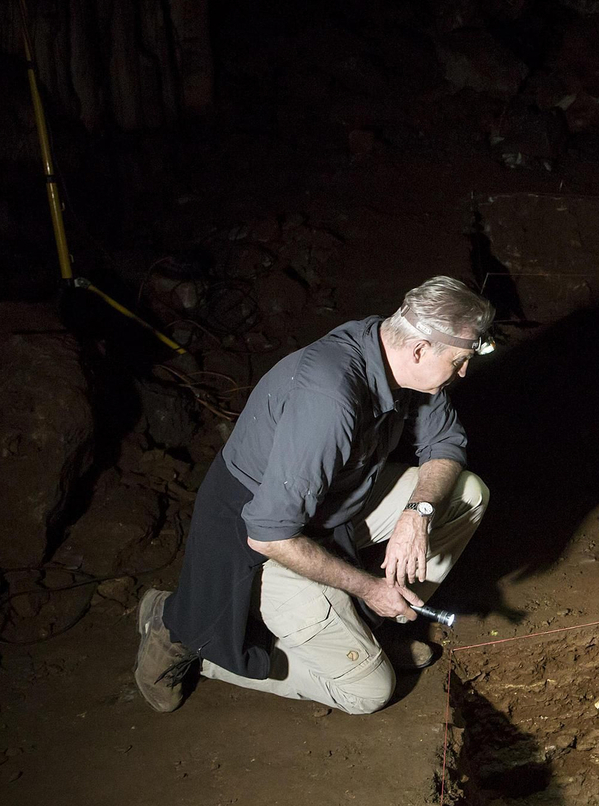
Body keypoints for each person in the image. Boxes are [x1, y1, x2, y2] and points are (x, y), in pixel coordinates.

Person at [133, 276, 496, 715]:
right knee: (368, 693)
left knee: (466, 493)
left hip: (331, 508)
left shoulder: (395, 353)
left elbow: (446, 444)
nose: (463, 373)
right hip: (260, 542)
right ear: (419, 349)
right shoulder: (329, 399)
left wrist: (416, 514)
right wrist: (367, 587)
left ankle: (366, 631)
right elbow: (268, 535)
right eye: (459, 361)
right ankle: (188, 637)